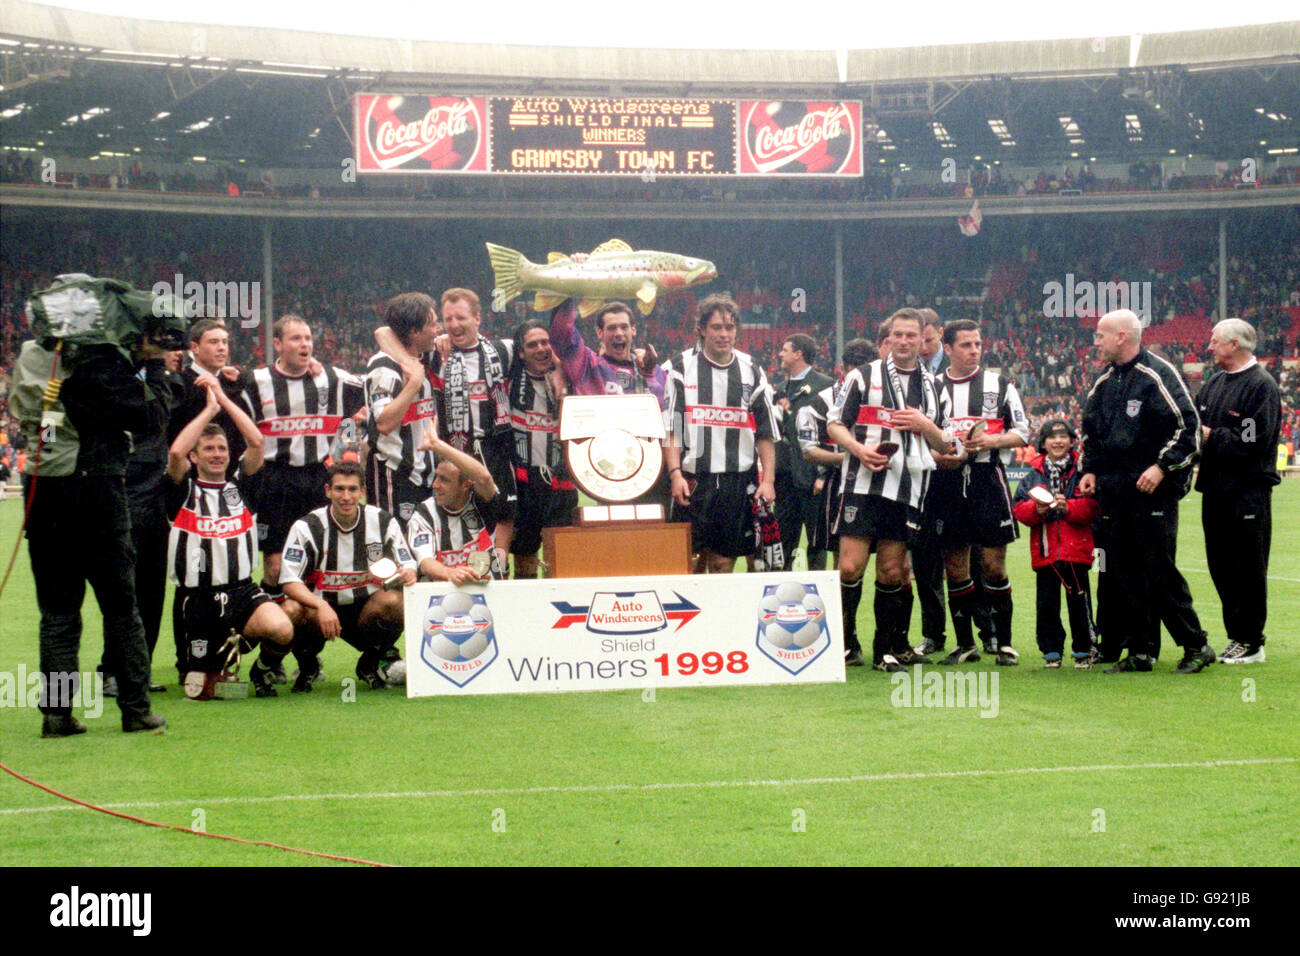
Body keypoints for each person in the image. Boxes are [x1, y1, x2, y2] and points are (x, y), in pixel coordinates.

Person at [10, 337, 168, 736]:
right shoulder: (104, 361)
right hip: (98, 490)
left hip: (45, 492)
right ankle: (135, 709)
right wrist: (153, 366)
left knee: (59, 614)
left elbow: (27, 415)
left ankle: (57, 715)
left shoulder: (31, 356)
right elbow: (148, 415)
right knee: (121, 608)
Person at [1079, 309, 1213, 674]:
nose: (1097, 341)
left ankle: (1196, 644)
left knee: (1157, 569)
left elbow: (1189, 427)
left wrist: (1162, 466)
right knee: (1123, 570)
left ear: (1122, 336)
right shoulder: (1103, 381)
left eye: (1101, 335)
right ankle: (1139, 650)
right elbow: (1089, 430)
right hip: (1115, 492)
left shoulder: (1157, 374)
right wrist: (1089, 468)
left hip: (1153, 492)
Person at [827, 309, 956, 672]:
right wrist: (858, 450)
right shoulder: (862, 376)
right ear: (887, 339)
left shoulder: (933, 386)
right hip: (861, 484)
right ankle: (846, 642)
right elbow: (835, 423)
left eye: (911, 336)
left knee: (891, 571)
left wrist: (924, 424)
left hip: (906, 488)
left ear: (921, 340)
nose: (904, 342)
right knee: (850, 567)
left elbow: (947, 444)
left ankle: (884, 650)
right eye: (897, 335)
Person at [165, 378, 294, 699]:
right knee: (202, 690)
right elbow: (176, 451)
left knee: (283, 629)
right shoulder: (183, 491)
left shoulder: (242, 488)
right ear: (196, 457)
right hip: (196, 600)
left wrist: (222, 398)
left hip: (241, 593)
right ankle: (210, 663)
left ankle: (260, 668)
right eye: (208, 449)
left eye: (221, 448)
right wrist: (208, 410)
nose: (217, 454)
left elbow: (256, 443)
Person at [376, 288, 517, 561]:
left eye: (461, 318)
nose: (453, 325)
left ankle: (498, 572)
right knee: (457, 527)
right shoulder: (436, 354)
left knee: (503, 518)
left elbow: (545, 353)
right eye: (448, 319)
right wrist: (409, 365)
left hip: (496, 449)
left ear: (478, 318)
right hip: (453, 454)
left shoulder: (503, 350)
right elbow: (383, 333)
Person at [241, 315, 365, 608]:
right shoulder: (256, 381)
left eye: (308, 338)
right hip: (275, 479)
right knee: (275, 567)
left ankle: (306, 649)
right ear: (277, 344)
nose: (305, 344)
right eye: (296, 339)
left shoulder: (332, 378)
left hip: (315, 478)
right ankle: (275, 646)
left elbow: (375, 383)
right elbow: (220, 383)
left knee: (314, 564)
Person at [928, 319, 1030, 666]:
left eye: (978, 344)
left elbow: (1023, 431)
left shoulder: (999, 385)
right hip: (947, 482)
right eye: (966, 345)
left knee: (993, 566)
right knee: (956, 568)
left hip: (988, 479)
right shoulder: (933, 386)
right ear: (948, 348)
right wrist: (937, 456)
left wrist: (992, 440)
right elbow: (920, 435)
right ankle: (965, 644)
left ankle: (1004, 643)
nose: (974, 351)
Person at [663, 294, 779, 574]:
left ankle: (717, 618)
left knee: (722, 563)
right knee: (685, 564)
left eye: (729, 327)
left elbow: (765, 433)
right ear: (702, 329)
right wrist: (675, 473)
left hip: (736, 482)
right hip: (693, 481)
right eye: (716, 327)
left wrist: (769, 481)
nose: (724, 334)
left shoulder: (751, 369)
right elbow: (672, 429)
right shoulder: (679, 367)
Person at [279, 460, 418, 691]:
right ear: (327, 491)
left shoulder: (382, 521)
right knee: (291, 609)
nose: (346, 496)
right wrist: (320, 606)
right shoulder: (307, 526)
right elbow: (289, 580)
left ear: (363, 491)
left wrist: (408, 573)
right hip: (321, 610)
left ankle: (370, 663)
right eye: (339, 489)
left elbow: (408, 563)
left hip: (364, 611)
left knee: (395, 602)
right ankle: (308, 666)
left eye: (353, 489)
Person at [1196, 318, 1280, 664]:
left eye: (1215, 341)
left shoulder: (1261, 385)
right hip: (1215, 488)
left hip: (1247, 491)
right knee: (1220, 564)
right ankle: (1237, 635)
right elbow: (1194, 421)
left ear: (1234, 344)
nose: (1210, 347)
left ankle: (1251, 641)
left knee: (1247, 565)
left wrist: (1210, 436)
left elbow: (1252, 441)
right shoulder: (1214, 384)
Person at [796, 337, 875, 664]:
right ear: (843, 370)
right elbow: (808, 447)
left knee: (892, 566)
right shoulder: (818, 402)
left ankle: (891, 642)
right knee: (842, 565)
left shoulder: (882, 400)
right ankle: (845, 638)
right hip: (836, 490)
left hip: (881, 488)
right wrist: (851, 458)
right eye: (855, 371)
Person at [1011, 420, 1099, 668]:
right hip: (1045, 551)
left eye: (1063, 436)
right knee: (1047, 603)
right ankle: (1051, 650)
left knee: (1079, 601)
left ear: (1073, 441)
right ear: (1043, 443)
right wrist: (1038, 509)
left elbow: (1093, 507)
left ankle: (1084, 649)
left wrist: (1068, 507)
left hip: (1076, 551)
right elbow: (1019, 509)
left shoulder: (1083, 472)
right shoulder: (1033, 475)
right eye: (1052, 437)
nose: (1058, 441)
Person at [365, 292, 441, 522]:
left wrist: (411, 365)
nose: (439, 329)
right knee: (396, 549)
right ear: (414, 332)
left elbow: (382, 331)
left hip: (426, 476)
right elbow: (385, 423)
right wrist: (414, 383)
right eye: (433, 324)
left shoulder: (427, 356)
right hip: (395, 475)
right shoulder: (383, 367)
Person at [507, 320, 575, 578]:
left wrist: (560, 368)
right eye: (532, 344)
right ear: (521, 352)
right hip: (524, 484)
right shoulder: (510, 380)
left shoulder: (569, 379)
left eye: (545, 342)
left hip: (561, 481)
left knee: (561, 561)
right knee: (525, 562)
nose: (540, 349)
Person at [407, 419, 507, 583]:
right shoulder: (424, 513)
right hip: (441, 597)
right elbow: (425, 563)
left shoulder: (481, 503)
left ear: (466, 486)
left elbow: (484, 478)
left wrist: (438, 446)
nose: (435, 485)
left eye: (444, 480)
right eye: (436, 477)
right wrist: (450, 573)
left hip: (485, 592)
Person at [774, 333, 835, 571]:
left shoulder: (826, 385)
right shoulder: (779, 389)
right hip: (784, 478)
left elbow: (832, 432)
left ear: (798, 354)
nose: (780, 354)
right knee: (783, 542)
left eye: (785, 349)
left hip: (813, 477)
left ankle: (817, 594)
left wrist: (823, 473)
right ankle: (780, 594)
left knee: (817, 541)